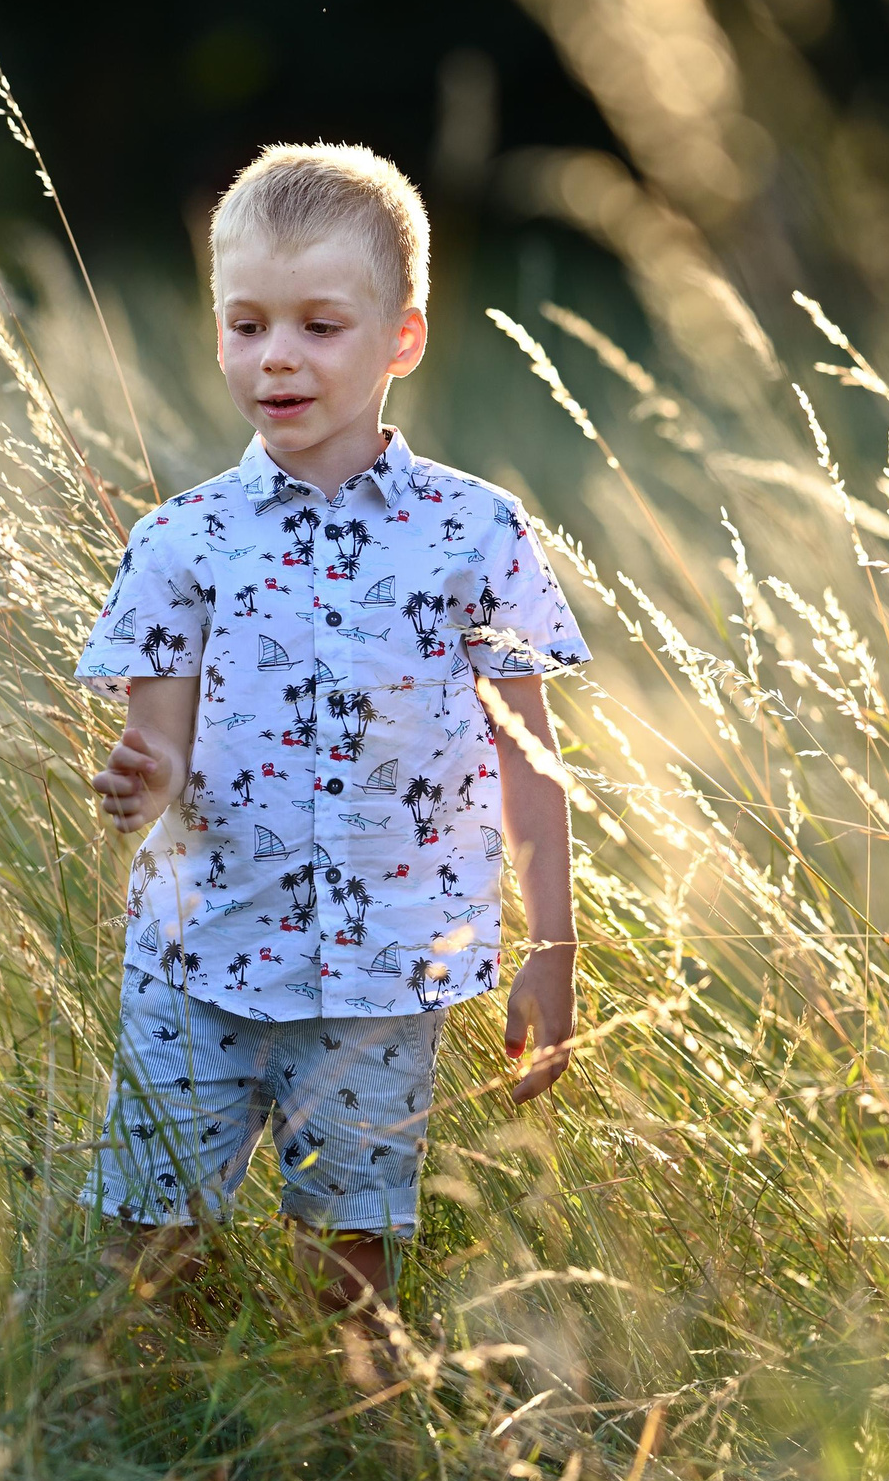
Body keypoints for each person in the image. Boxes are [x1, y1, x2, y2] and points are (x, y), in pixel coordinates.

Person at [78, 142, 588, 1320]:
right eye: (246, 325)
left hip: (383, 971)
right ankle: (148, 1424)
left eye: (319, 325)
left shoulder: (473, 535)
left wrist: (550, 950)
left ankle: (339, 1429)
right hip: (199, 956)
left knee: (350, 1269)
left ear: (401, 339)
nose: (277, 358)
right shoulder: (182, 541)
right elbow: (156, 750)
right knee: (147, 1252)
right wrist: (135, 783)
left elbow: (531, 763)